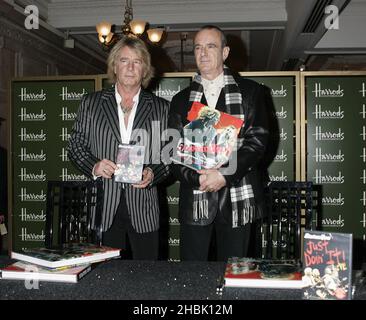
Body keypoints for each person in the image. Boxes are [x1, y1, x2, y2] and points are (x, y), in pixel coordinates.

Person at [168, 25, 271, 261]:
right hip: (195, 199)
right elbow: (172, 151)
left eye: (210, 46)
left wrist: (223, 175)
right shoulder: (180, 100)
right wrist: (200, 178)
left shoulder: (251, 92)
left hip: (238, 196)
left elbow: (257, 142)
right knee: (192, 276)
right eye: (198, 47)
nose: (203, 53)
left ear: (225, 53)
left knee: (235, 275)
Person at [67, 36, 169, 260]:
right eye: (124, 60)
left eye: (137, 61)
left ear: (145, 69)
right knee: (103, 278)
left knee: (147, 276)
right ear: (114, 66)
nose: (130, 67)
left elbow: (168, 157)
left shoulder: (162, 108)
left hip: (144, 207)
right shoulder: (91, 103)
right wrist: (94, 165)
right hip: (104, 204)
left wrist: (153, 173)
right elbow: (75, 146)